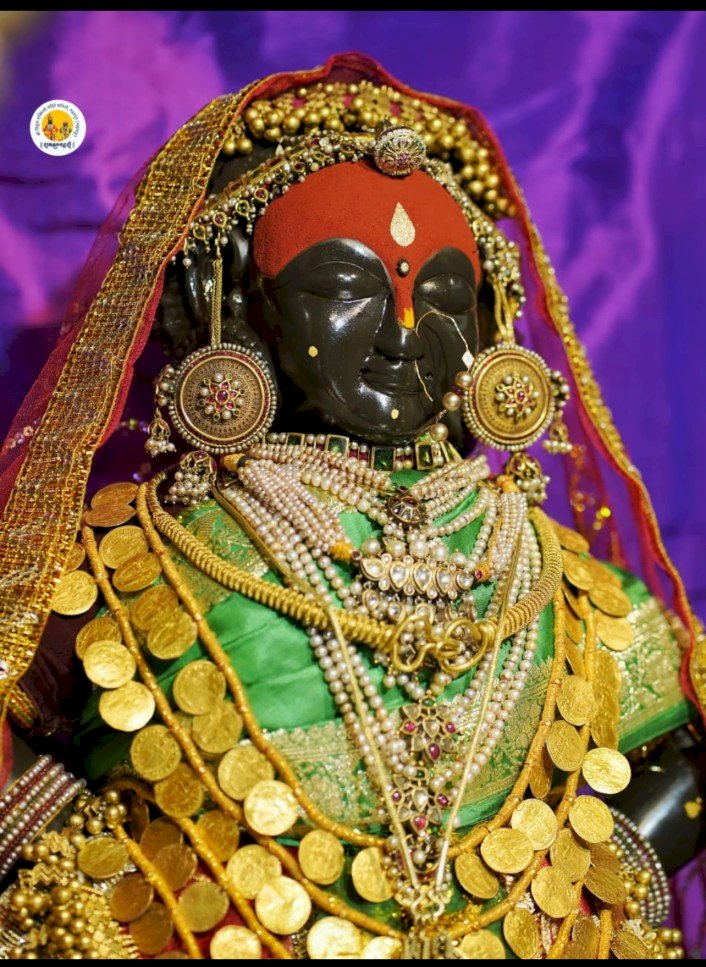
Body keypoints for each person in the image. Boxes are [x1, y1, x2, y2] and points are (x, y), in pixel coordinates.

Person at [0, 52, 703, 960]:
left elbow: (684, 763)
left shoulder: (567, 590)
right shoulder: (126, 569)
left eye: (442, 295)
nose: (404, 333)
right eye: (342, 288)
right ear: (231, 301)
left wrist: (602, 870)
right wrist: (113, 899)